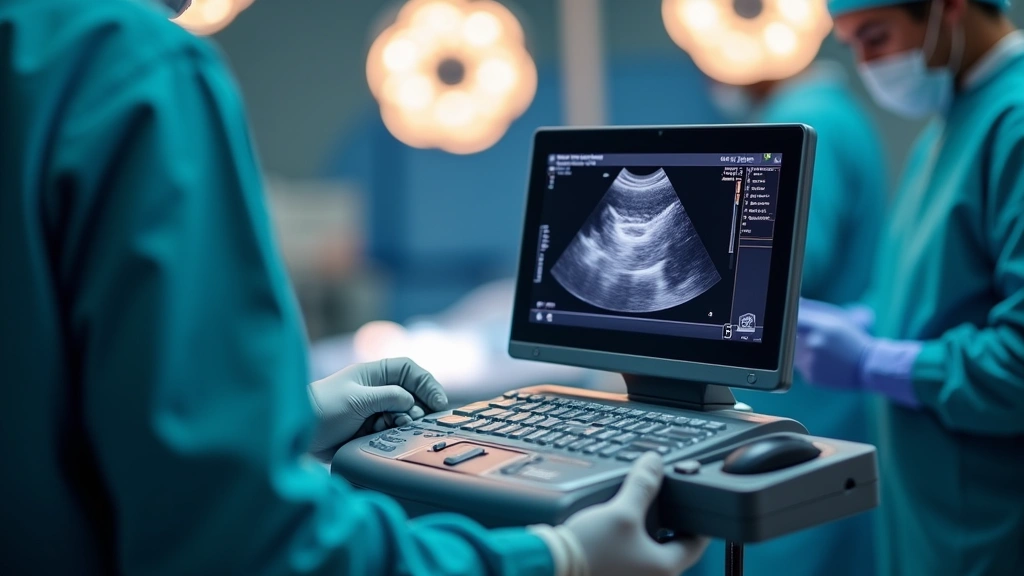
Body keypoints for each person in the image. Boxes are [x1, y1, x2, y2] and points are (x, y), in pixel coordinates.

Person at [0, 0, 708, 574]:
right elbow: (255, 548)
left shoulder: (36, 47)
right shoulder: (130, 66)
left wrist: (285, 422)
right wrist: (557, 558)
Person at [794, 0, 1024, 574]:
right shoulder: (950, 124)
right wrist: (869, 319)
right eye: (851, 45)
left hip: (991, 527)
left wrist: (876, 361)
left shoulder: (1014, 120)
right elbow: (942, 289)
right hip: (933, 520)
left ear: (951, 9)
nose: (867, 64)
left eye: (876, 36)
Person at [692, 62, 887, 576]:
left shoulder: (803, 115)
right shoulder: (835, 111)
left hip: (797, 402)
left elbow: (789, 266)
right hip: (820, 400)